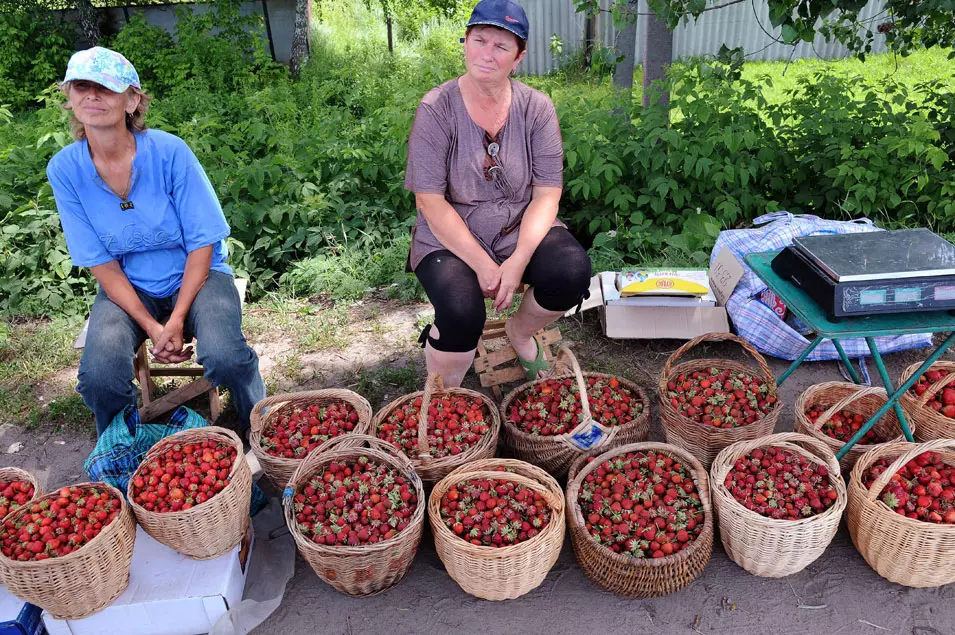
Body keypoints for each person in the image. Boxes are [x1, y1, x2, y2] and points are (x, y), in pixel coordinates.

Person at [46, 47, 265, 436]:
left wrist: (177, 319)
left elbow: (202, 242)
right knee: (99, 376)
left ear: (132, 100)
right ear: (70, 97)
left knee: (226, 356)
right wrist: (151, 325)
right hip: (129, 287)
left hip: (198, 275)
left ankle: (260, 426)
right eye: (82, 86)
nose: (92, 95)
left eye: (105, 88)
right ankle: (124, 446)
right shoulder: (66, 169)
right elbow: (102, 264)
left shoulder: (169, 153)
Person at [405, 0, 592, 387]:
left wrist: (519, 258)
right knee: (461, 312)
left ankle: (519, 332)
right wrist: (483, 264)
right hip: (451, 235)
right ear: (465, 43)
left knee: (571, 271)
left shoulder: (536, 108)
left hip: (517, 227)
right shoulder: (436, 108)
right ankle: (445, 391)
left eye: (501, 46)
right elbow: (430, 201)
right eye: (479, 40)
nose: (486, 54)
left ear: (518, 57)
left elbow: (546, 193)